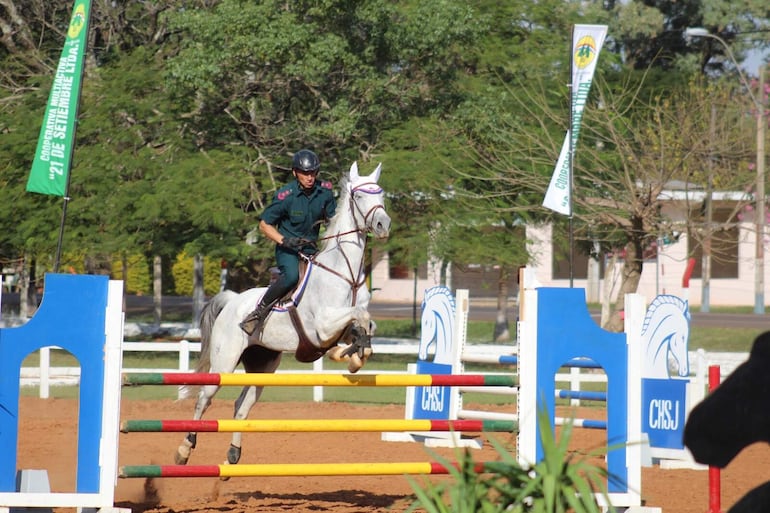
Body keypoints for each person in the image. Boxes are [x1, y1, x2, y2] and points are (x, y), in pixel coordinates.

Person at [240, 149, 337, 336]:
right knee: (292, 276)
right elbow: (264, 225)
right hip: (288, 251)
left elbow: (333, 220)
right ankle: (258, 312)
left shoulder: (325, 192)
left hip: (312, 249)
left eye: (313, 172)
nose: (310, 177)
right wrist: (284, 240)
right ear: (295, 172)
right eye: (305, 173)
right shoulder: (286, 195)